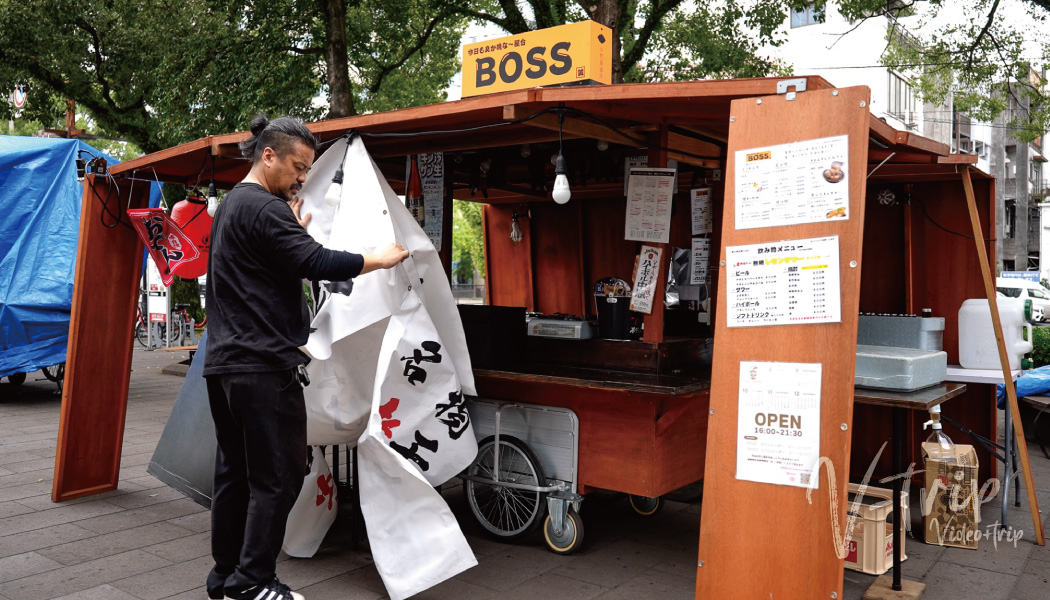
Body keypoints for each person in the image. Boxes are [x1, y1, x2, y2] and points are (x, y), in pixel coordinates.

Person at [203, 114, 408, 600]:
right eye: (298, 167)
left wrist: (290, 230)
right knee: (278, 476)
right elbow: (316, 261)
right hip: (263, 365)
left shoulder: (234, 205)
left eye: (308, 169)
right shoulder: (264, 207)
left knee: (235, 474)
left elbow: (272, 263)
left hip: (226, 364)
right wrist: (377, 258)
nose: (302, 178)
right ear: (267, 155)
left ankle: (225, 578)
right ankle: (253, 582)